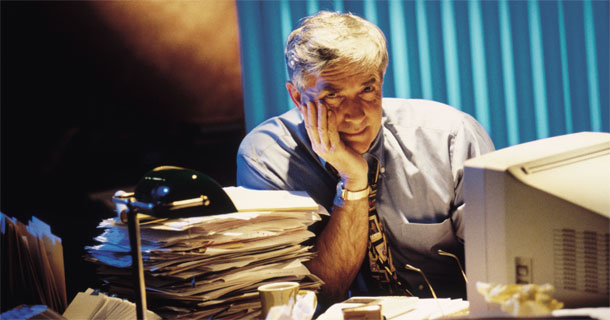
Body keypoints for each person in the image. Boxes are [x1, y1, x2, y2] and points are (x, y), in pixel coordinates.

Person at [237, 11, 494, 304]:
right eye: (332, 96)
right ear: (297, 98)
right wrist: (354, 183)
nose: (356, 115)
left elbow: (506, 269)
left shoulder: (450, 137)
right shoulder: (266, 156)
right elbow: (313, 296)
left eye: (367, 89)